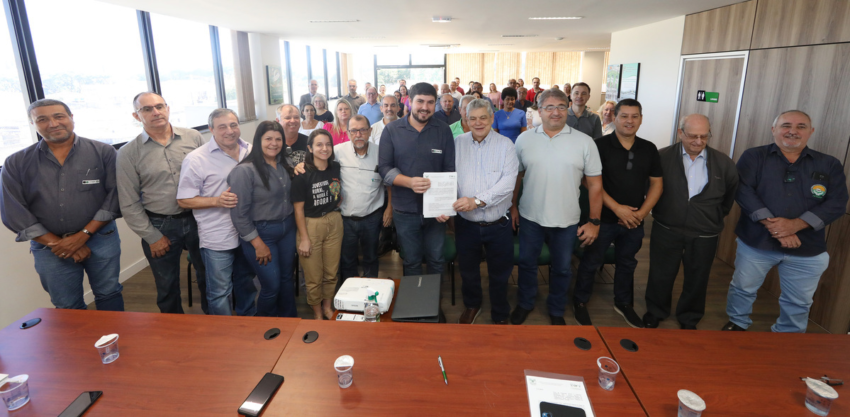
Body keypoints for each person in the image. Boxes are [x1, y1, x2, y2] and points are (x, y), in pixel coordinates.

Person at [723, 110, 848, 333]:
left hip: (807, 247)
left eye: (801, 126)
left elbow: (837, 202)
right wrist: (777, 227)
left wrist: (795, 225)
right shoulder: (754, 156)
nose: (793, 131)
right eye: (786, 125)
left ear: (811, 131)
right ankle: (738, 323)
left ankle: (788, 334)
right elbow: (743, 191)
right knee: (743, 288)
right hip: (756, 242)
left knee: (799, 301)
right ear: (774, 130)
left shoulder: (829, 164)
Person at [1, 99, 123, 311]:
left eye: (59, 116)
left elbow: (115, 197)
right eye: (42, 119)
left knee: (109, 293)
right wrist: (59, 244)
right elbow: (14, 212)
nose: (53, 124)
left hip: (101, 238)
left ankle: (113, 333)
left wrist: (82, 235)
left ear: (71, 117)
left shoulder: (103, 152)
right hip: (49, 248)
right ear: (33, 124)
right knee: (67, 305)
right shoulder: (16, 163)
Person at [511, 88, 603, 326]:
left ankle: (556, 309)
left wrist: (594, 221)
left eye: (561, 107)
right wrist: (513, 207)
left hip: (567, 220)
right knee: (527, 264)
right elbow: (517, 177)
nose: (555, 112)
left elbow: (595, 185)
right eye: (549, 107)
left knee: (562, 269)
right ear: (539, 111)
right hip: (530, 217)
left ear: (568, 109)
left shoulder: (585, 142)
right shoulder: (524, 140)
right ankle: (525, 303)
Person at [572, 99, 663, 328]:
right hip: (602, 219)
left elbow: (656, 184)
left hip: (634, 221)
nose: (629, 121)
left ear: (641, 119)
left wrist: (642, 213)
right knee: (591, 261)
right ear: (614, 118)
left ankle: (623, 303)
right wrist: (617, 209)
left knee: (627, 263)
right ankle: (580, 302)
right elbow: (588, 181)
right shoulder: (599, 146)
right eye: (624, 116)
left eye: (634, 116)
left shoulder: (649, 148)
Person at [643, 114, 738, 330]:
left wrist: (708, 215)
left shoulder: (724, 163)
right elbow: (650, 189)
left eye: (704, 136)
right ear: (680, 133)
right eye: (693, 136)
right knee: (660, 273)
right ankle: (655, 312)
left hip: (705, 232)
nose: (698, 141)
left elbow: (728, 198)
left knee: (698, 277)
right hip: (667, 227)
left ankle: (689, 317)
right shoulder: (662, 157)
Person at [117, 92, 207, 314]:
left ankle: (214, 321)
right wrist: (152, 237)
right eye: (147, 109)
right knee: (167, 286)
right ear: (136, 116)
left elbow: (209, 177)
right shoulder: (128, 153)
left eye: (159, 106)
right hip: (160, 225)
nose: (155, 112)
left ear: (167, 108)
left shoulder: (193, 138)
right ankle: (175, 331)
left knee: (209, 276)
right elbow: (128, 202)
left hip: (199, 219)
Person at [177, 108, 257, 316]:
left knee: (246, 283)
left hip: (248, 233)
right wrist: (217, 200)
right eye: (222, 127)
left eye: (233, 125)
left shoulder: (250, 150)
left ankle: (248, 323)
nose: (229, 131)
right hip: (218, 236)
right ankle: (224, 332)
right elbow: (183, 200)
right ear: (211, 129)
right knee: (220, 291)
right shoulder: (196, 159)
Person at [378, 82, 455, 276]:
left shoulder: (443, 130)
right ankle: (415, 297)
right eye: (420, 101)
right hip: (405, 209)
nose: (425, 107)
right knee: (411, 261)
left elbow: (449, 170)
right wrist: (409, 182)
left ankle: (434, 297)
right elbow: (384, 169)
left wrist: (444, 205)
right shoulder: (392, 130)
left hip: (435, 211)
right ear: (410, 102)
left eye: (430, 102)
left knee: (436, 260)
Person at [453, 99, 519, 325]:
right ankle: (472, 305)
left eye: (483, 117)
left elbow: (508, 184)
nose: (478, 123)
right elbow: (448, 179)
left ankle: (500, 312)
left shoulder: (506, 145)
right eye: (472, 118)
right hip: (466, 224)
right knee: (468, 271)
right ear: (466, 120)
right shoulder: (457, 143)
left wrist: (477, 201)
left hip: (498, 224)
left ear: (492, 118)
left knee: (500, 273)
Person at [227, 121, 297, 317]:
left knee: (286, 279)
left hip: (287, 229)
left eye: (278, 139)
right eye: (268, 139)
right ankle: (264, 325)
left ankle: (289, 321)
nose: (274, 143)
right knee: (271, 285)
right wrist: (257, 244)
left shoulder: (284, 164)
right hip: (261, 234)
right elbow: (239, 214)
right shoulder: (245, 171)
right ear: (258, 141)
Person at [292, 129, 343, 320]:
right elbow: (298, 210)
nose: (325, 148)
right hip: (310, 225)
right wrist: (304, 239)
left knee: (331, 272)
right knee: (314, 276)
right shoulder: (302, 173)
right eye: (319, 145)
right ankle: (317, 313)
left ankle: (328, 307)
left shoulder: (335, 167)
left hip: (334, 221)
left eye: (328, 144)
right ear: (310, 148)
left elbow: (337, 192)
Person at [336, 116, 392, 281]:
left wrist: (389, 208)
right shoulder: (337, 151)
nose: (358, 134)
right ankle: (349, 291)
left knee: (371, 257)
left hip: (372, 217)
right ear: (348, 133)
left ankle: (370, 290)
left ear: (370, 131)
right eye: (354, 131)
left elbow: (389, 182)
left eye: (362, 130)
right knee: (347, 260)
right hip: (345, 218)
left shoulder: (381, 153)